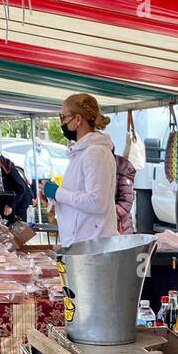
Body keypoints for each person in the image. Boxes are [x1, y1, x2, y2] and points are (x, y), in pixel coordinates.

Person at [54, 93, 117, 245]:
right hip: (83, 243)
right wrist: (54, 198)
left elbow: (97, 202)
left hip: (92, 245)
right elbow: (78, 193)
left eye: (63, 117)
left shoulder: (95, 153)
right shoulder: (82, 152)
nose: (62, 122)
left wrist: (57, 193)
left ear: (77, 119)